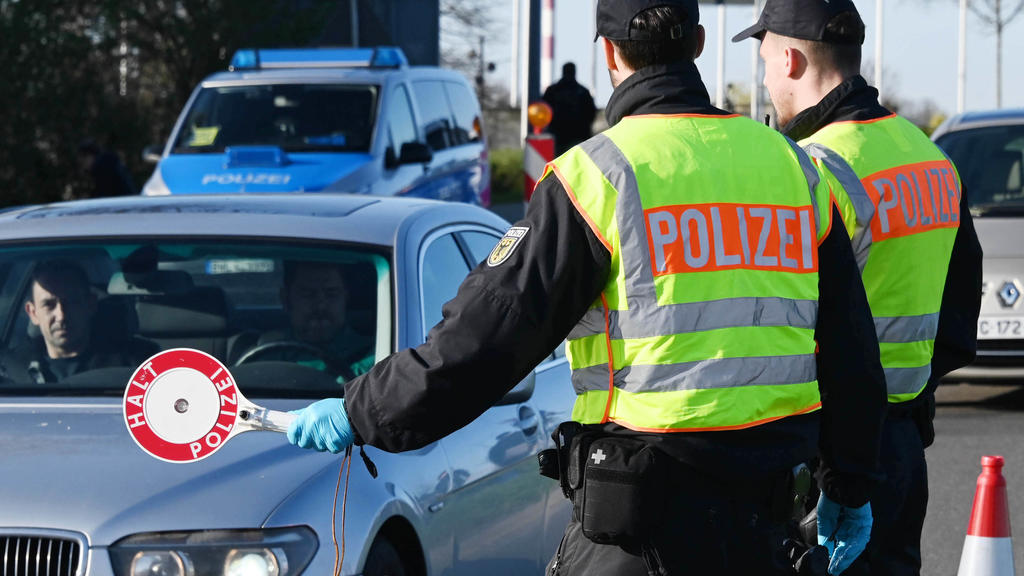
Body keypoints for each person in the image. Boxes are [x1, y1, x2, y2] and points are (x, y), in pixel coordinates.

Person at [288, 1, 888, 574]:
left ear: (609, 55)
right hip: (770, 524)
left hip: (644, 525)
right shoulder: (793, 168)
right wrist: (850, 484)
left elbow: (481, 341)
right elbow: (850, 347)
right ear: (699, 46)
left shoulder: (596, 176)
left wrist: (361, 409)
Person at [733, 1, 983, 574]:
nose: (767, 78)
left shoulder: (809, 170)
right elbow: (958, 315)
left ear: (791, 60)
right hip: (901, 448)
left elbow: (778, 323)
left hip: (823, 458)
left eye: (765, 60)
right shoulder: (932, 159)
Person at [2, 260, 154, 383]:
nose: (61, 315)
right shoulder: (9, 371)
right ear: (33, 313)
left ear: (90, 305)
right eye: (49, 305)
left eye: (72, 302)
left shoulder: (139, 366)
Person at [231, 261, 374, 381]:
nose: (320, 305)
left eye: (331, 294)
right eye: (308, 294)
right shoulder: (263, 358)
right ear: (285, 299)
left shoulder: (375, 356)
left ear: (346, 297)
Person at [543, 62, 598, 156]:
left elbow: (544, 110)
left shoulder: (552, 91)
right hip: (578, 135)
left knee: (557, 163)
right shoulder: (583, 91)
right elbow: (591, 113)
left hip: (557, 135)